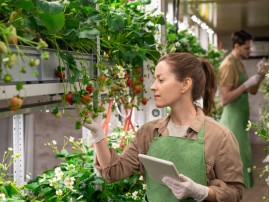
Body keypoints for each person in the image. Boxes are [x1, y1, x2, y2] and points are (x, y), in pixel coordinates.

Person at [83, 52, 244, 201]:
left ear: (185, 84)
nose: (153, 86)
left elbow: (235, 193)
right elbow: (113, 172)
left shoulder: (219, 136)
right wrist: (98, 134)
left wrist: (200, 191)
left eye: (161, 80)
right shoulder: (149, 132)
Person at [218, 30, 267, 189]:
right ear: (236, 46)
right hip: (232, 120)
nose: (249, 51)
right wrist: (245, 84)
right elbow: (224, 99)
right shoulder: (228, 65)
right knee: (234, 163)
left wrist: (259, 76)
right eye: (246, 48)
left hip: (241, 120)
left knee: (242, 158)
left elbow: (252, 91)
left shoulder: (239, 62)